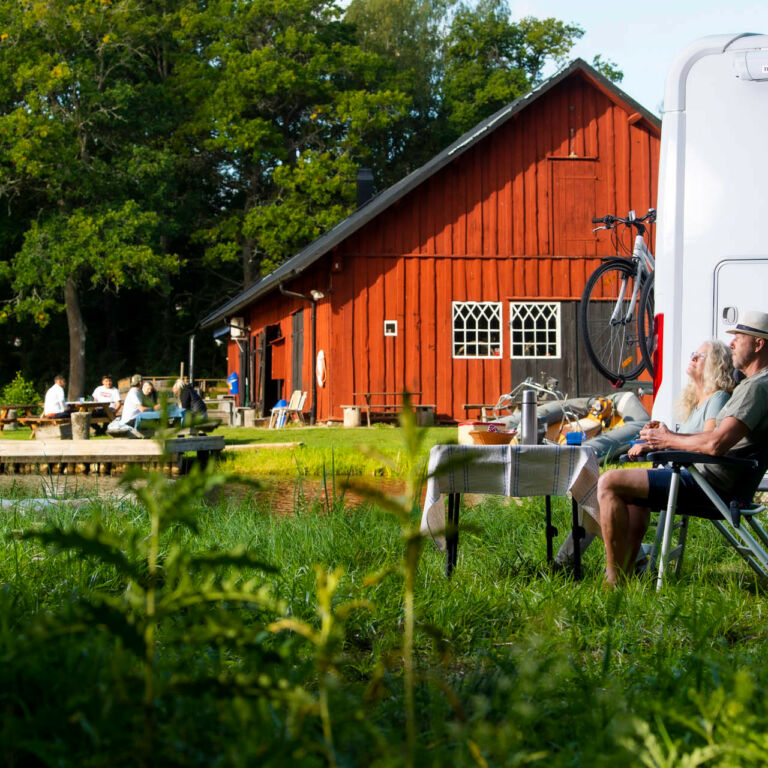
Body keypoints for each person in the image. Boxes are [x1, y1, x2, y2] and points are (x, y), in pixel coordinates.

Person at [599, 309, 768, 585]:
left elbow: (715, 443)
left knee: (609, 482)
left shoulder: (757, 388)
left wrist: (667, 441)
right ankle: (629, 571)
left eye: (739, 336)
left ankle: (613, 580)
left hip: (710, 485)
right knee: (629, 489)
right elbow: (713, 440)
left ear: (759, 344)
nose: (733, 343)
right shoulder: (754, 384)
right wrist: (667, 438)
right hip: (712, 480)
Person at [627, 339, 735, 459]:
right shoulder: (695, 403)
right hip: (679, 469)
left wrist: (660, 444)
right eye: (694, 354)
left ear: (717, 364)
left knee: (610, 478)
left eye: (702, 356)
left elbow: (706, 443)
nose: (693, 357)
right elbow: (682, 442)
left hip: (693, 474)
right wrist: (655, 437)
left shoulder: (718, 398)